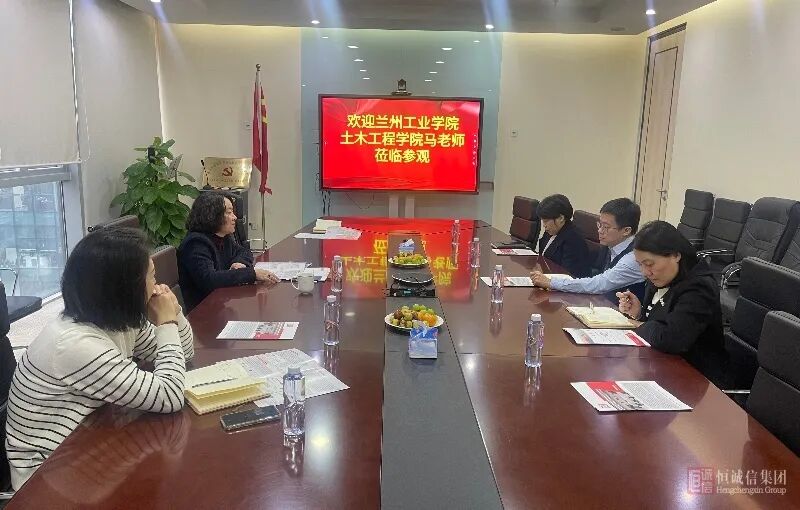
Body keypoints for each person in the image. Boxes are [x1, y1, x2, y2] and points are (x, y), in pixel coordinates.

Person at [5, 227, 195, 490]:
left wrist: (173, 311)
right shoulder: (75, 344)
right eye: (152, 276)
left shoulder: (116, 319)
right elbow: (170, 396)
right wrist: (166, 323)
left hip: (88, 446)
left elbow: (184, 353)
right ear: (125, 288)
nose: (157, 285)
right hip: (45, 479)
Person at [617, 221, 727, 387]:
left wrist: (635, 324)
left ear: (675, 255)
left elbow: (671, 339)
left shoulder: (699, 287)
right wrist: (639, 313)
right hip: (661, 365)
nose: (645, 272)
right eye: (640, 265)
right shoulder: (662, 277)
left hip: (696, 380)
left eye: (649, 264)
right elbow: (658, 323)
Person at [530, 198, 646, 302]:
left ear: (626, 231)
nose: (600, 231)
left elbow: (599, 284)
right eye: (599, 225)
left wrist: (551, 282)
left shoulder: (633, 258)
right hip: (603, 303)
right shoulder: (611, 245)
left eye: (606, 227)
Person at [178, 192, 279, 311]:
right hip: (202, 312)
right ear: (212, 215)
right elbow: (209, 280)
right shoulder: (196, 243)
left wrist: (239, 263)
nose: (235, 217)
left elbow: (244, 251)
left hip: (221, 304)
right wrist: (252, 274)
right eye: (229, 212)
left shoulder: (223, 237)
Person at [535, 194, 590, 277]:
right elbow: (543, 256)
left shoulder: (574, 239)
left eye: (546, 221)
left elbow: (567, 274)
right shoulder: (551, 230)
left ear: (560, 218)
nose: (544, 225)